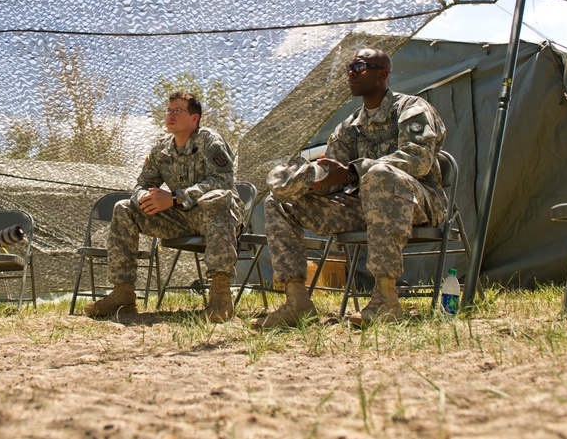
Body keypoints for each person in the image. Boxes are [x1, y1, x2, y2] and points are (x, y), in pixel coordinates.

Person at [253, 48, 448, 329]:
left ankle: (386, 299)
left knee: (380, 175)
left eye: (359, 67)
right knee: (280, 203)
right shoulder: (349, 127)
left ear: (383, 74)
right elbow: (334, 176)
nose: (351, 74)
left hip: (418, 202)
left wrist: (355, 171)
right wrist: (308, 181)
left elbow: (419, 159)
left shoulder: (411, 108)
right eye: (349, 69)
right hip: (362, 207)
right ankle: (297, 303)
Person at [84, 91, 245, 323]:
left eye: (177, 111)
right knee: (124, 208)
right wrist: (144, 199)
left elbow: (222, 182)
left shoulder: (210, 141)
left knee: (218, 198)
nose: (170, 115)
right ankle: (124, 293)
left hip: (216, 219)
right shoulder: (161, 149)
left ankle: (220, 296)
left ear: (194, 118)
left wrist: (175, 198)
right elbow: (143, 184)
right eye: (168, 111)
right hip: (180, 220)